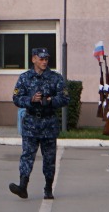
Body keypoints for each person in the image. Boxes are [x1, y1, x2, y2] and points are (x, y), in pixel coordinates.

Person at [8, 46, 67, 200]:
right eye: (41, 59)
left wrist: (51, 100)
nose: (44, 61)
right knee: (27, 155)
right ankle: (23, 186)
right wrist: (30, 100)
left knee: (49, 158)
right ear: (33, 59)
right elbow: (16, 98)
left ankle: (48, 188)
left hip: (49, 123)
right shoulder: (25, 77)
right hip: (31, 122)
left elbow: (65, 98)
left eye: (46, 58)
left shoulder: (56, 78)